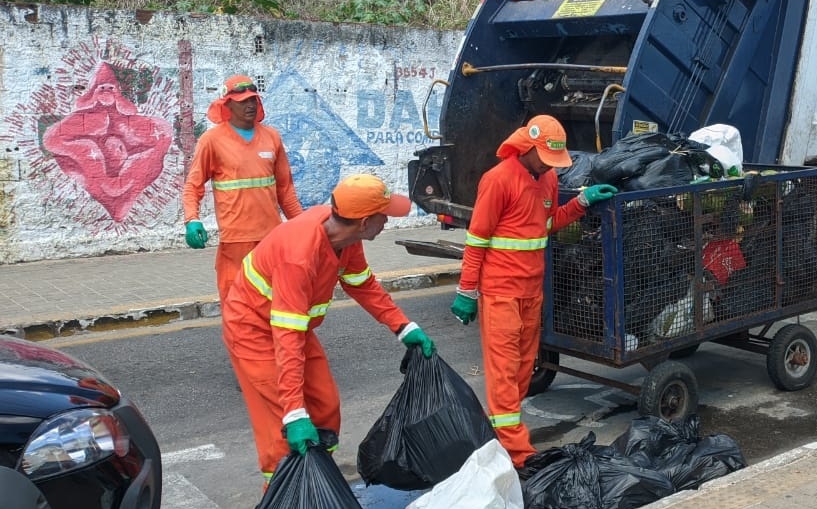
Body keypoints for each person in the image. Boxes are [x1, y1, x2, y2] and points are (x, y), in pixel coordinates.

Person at [222, 173, 434, 483]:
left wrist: (403, 327)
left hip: (293, 325)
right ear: (363, 222)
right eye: (383, 216)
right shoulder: (299, 255)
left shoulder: (346, 239)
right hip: (253, 330)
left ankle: (316, 482)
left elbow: (362, 284)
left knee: (325, 406)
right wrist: (294, 412)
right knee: (284, 427)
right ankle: (282, 502)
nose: (386, 222)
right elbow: (287, 337)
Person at [450, 115, 617, 468]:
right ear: (526, 147)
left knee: (524, 369)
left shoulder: (549, 178)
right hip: (500, 292)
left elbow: (548, 223)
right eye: (544, 158)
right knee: (504, 371)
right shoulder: (497, 180)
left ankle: (492, 434)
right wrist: (467, 291)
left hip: (531, 291)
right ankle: (519, 455)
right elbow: (477, 240)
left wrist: (582, 202)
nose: (548, 166)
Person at [182, 75, 304, 303]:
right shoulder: (212, 141)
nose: (250, 105)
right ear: (227, 104)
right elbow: (193, 185)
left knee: (276, 303)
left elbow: (285, 191)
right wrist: (192, 220)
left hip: (272, 238)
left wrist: (304, 227)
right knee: (237, 304)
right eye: (242, 101)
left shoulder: (272, 137)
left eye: (253, 100)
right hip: (236, 240)